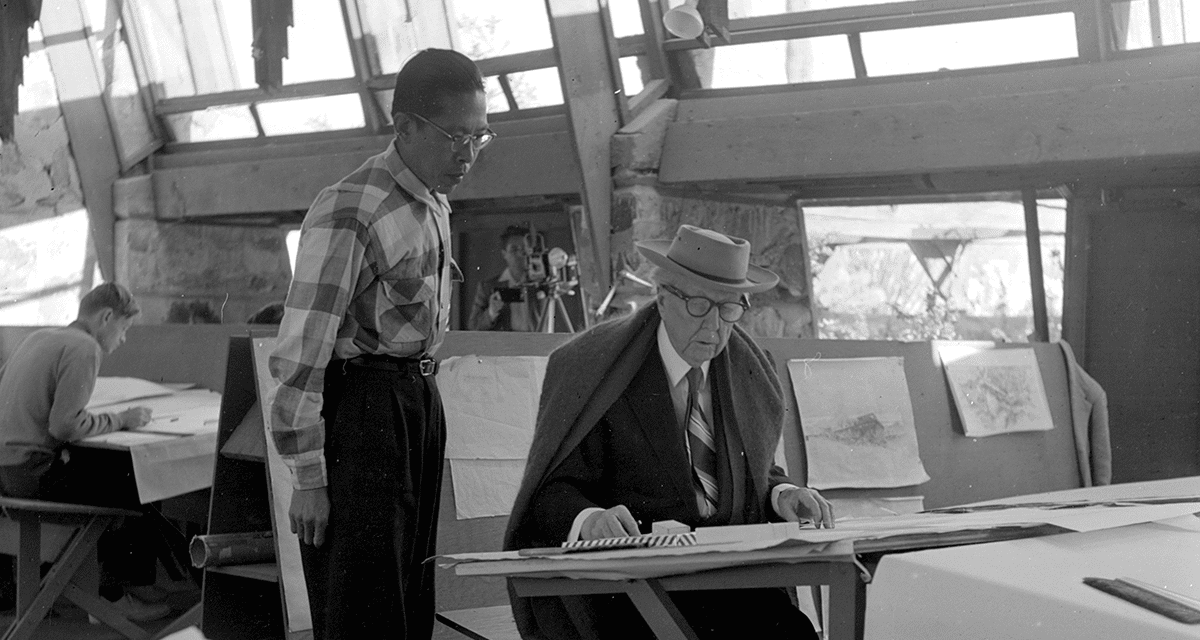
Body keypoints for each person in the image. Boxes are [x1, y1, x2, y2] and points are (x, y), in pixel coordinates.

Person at [504, 225, 834, 639]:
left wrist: (784, 494)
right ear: (662, 299)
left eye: (730, 308)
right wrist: (592, 521)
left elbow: (758, 469)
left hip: (737, 584)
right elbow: (552, 492)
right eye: (700, 305)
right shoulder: (598, 369)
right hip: (634, 596)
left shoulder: (749, 368)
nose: (715, 326)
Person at [268, 48, 493, 639]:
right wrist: (309, 477)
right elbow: (302, 348)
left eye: (480, 137)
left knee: (408, 600)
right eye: (454, 137)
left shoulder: (432, 202)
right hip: (364, 413)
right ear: (405, 127)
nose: (467, 155)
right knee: (362, 609)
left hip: (416, 401)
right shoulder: (352, 207)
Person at [0, 282, 170, 621]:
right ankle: (114, 596)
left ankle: (133, 584)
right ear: (106, 317)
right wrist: (122, 419)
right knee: (139, 479)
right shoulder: (84, 347)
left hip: (5, 473)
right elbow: (64, 426)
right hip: (30, 475)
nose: (122, 340)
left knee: (114, 476)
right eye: (124, 329)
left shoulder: (37, 339)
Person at [468, 225, 538, 331]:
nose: (520, 254)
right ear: (504, 254)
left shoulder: (540, 283)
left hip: (538, 344)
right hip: (505, 346)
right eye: (514, 249)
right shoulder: (488, 287)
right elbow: (473, 326)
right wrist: (491, 312)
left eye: (524, 250)